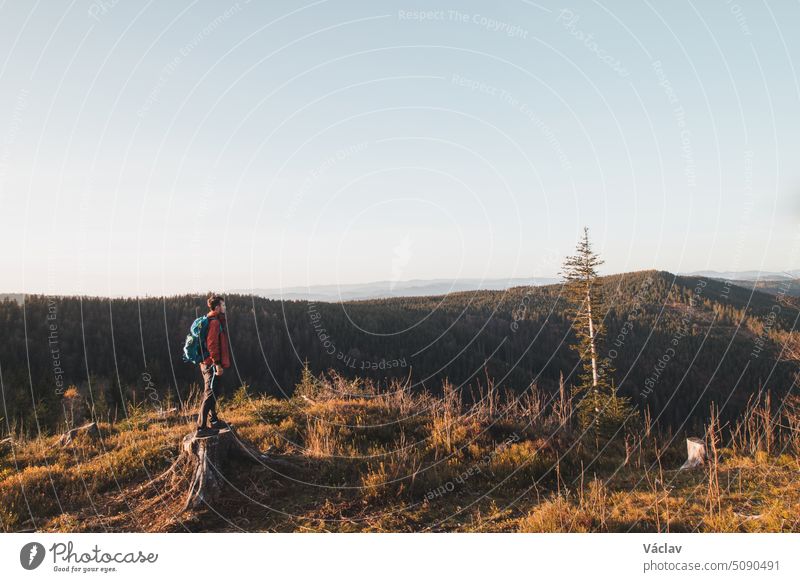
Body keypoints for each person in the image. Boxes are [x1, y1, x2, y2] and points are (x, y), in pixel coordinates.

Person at [196, 294, 232, 436]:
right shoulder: (215, 322)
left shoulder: (214, 320)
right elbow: (212, 345)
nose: (225, 308)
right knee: (210, 393)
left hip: (208, 363)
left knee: (213, 391)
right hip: (211, 364)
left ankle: (214, 420)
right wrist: (217, 364)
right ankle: (201, 428)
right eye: (223, 305)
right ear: (217, 307)